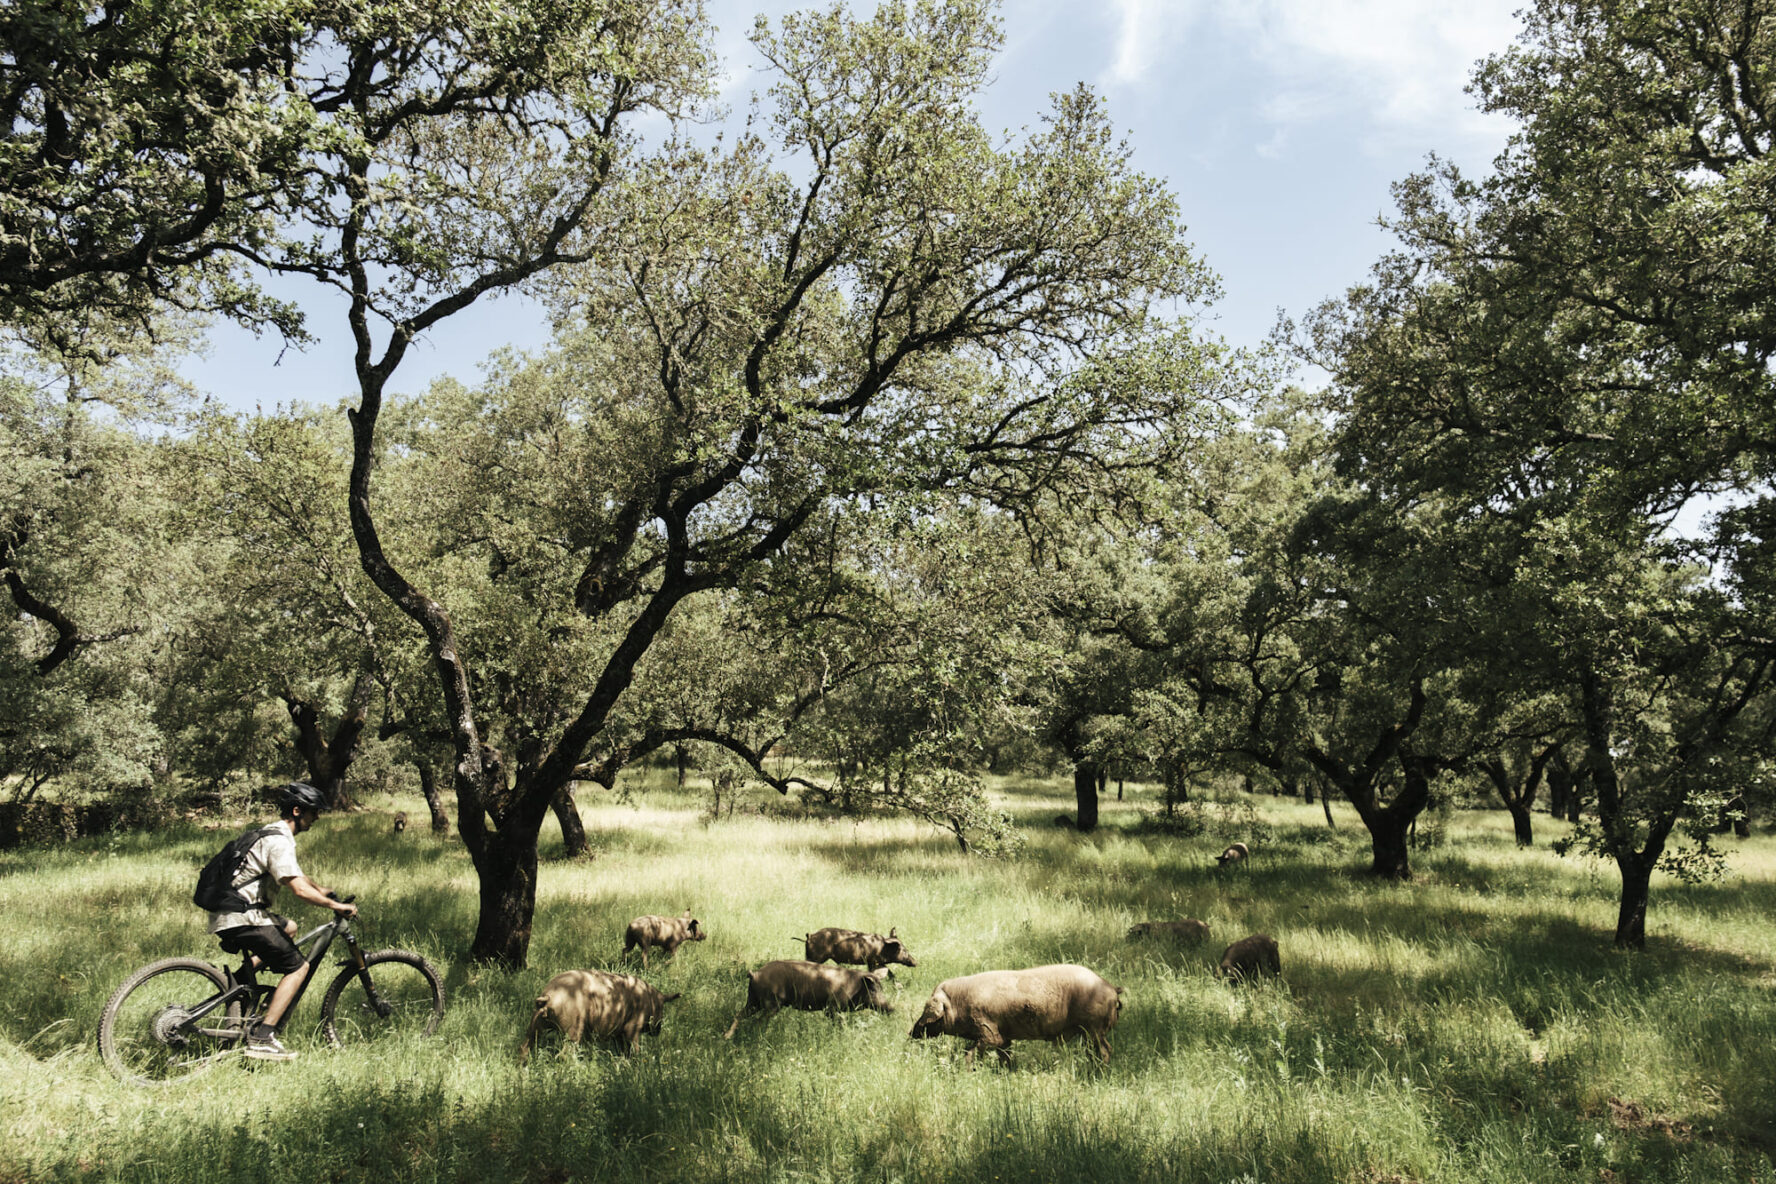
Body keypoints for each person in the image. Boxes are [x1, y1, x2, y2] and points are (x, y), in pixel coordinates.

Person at [206, 780, 357, 1061]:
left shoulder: (271, 832)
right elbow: (298, 890)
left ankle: (239, 983)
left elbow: (296, 876)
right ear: (297, 811)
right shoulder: (279, 841)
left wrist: (320, 889)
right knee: (299, 968)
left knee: (290, 928)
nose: (317, 817)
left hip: (233, 914)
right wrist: (336, 905)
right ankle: (263, 1037)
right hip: (244, 917)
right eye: (314, 812)